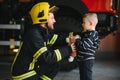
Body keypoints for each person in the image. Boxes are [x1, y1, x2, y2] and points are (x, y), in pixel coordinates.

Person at [11, 2, 76, 80]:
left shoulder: (41, 31)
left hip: (32, 69)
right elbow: (47, 58)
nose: (54, 21)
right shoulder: (34, 34)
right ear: (43, 18)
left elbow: (55, 39)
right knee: (52, 61)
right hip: (24, 74)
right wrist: (69, 49)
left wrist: (69, 39)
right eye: (52, 18)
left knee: (55, 64)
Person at [69, 13, 99, 80]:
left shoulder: (92, 34)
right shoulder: (87, 33)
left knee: (86, 77)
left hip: (87, 60)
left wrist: (77, 39)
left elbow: (84, 46)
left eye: (84, 22)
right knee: (82, 76)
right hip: (82, 59)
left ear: (91, 23)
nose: (82, 24)